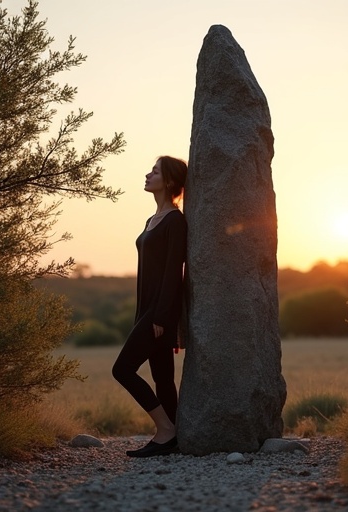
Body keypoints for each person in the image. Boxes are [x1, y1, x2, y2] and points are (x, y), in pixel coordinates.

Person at [112, 155, 187, 457]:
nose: (148, 174)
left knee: (123, 369)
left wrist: (161, 316)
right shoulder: (152, 220)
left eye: (154, 172)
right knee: (162, 377)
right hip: (147, 311)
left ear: (168, 181)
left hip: (158, 313)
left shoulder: (175, 221)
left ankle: (165, 430)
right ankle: (174, 439)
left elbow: (173, 271)